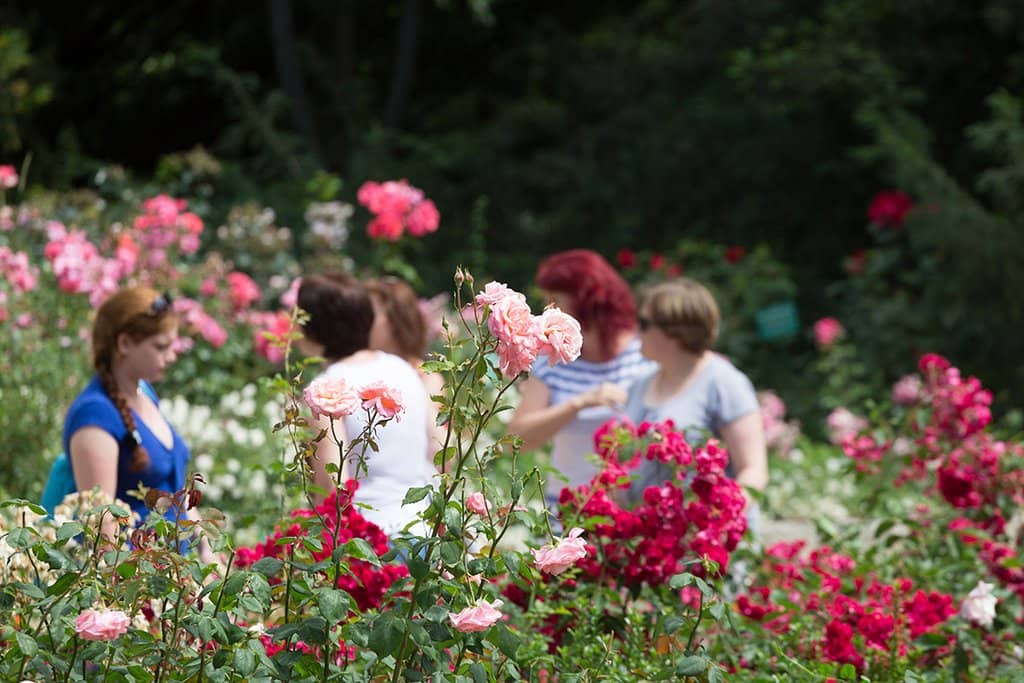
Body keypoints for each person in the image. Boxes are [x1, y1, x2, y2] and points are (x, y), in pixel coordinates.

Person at [63, 286, 210, 557]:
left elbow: (175, 490)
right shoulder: (95, 416)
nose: (172, 355)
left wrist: (208, 552)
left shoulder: (144, 393)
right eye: (160, 347)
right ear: (125, 343)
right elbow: (102, 526)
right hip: (142, 579)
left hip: (179, 572)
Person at [507, 249, 657, 503]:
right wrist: (579, 403)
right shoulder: (552, 361)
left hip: (632, 511)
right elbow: (515, 441)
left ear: (588, 299)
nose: (548, 311)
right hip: (569, 511)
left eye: (556, 300)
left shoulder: (645, 352)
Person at [298, 273, 436, 536]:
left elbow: (332, 488)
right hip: (421, 530)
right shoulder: (405, 369)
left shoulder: (327, 389)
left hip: (371, 539)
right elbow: (435, 448)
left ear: (314, 330)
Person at [624, 278, 768, 503]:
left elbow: (753, 470)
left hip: (704, 532)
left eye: (643, 323)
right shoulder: (641, 382)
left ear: (674, 333)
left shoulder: (725, 383)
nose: (635, 331)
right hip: (648, 533)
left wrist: (717, 519)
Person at [366, 276, 446, 456]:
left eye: (371, 314)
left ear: (396, 321)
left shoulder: (427, 377)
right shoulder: (360, 372)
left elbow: (439, 446)